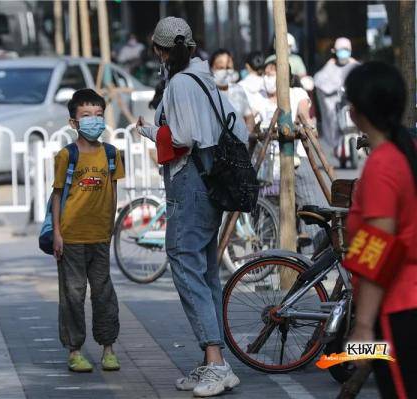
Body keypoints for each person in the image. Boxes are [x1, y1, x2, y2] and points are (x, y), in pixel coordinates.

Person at [136, 16, 247, 397]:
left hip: (191, 181)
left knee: (183, 259)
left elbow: (181, 137)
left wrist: (150, 131)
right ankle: (216, 361)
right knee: (205, 269)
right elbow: (239, 128)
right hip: (211, 181)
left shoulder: (182, 83)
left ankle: (215, 361)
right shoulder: (204, 79)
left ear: (161, 50)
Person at [344, 62, 417, 399]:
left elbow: (377, 249)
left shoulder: (383, 164)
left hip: (398, 309)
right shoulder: (403, 152)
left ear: (357, 111)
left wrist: (362, 326)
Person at [51, 89, 125, 373]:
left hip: (100, 237)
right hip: (71, 238)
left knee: (103, 292)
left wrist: (111, 226)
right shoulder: (66, 156)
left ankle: (108, 348)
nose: (94, 121)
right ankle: (74, 350)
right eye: (86, 116)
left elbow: (113, 192)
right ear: (73, 122)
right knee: (72, 294)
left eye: (98, 115)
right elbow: (58, 195)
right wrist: (57, 232)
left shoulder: (111, 154)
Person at [257, 55, 327, 249]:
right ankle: (272, 254)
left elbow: (304, 116)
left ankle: (317, 250)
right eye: (267, 73)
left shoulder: (296, 93)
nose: (269, 77)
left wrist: (303, 126)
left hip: (296, 158)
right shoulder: (258, 97)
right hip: (268, 163)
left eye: (274, 73)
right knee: (270, 212)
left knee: (310, 208)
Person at [314, 37, 360, 146]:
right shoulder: (330, 65)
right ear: (335, 51)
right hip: (337, 105)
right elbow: (319, 80)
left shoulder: (356, 66)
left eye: (346, 49)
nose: (343, 53)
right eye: (341, 50)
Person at [209, 49, 255, 133]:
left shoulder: (238, 90)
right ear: (212, 69)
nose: (225, 71)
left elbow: (249, 116)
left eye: (228, 68)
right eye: (220, 68)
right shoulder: (205, 92)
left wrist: (247, 132)